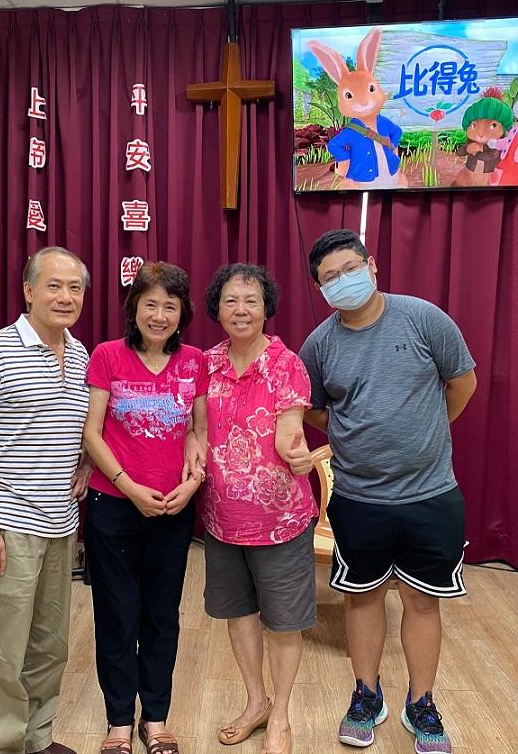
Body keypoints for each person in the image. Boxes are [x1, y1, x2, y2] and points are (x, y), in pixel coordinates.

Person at [298, 230, 477, 754]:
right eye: (330, 278)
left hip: (431, 494)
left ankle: (421, 702)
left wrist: (427, 432)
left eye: (350, 269)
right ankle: (366, 694)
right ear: (320, 289)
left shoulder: (423, 318)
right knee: (362, 598)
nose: (343, 281)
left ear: (372, 265)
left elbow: (462, 383)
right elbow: (311, 408)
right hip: (358, 497)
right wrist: (351, 435)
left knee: (423, 602)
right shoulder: (319, 344)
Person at [0, 246, 93, 754]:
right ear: (28, 291)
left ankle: (37, 739)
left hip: (61, 524)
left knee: (50, 645)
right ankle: (2, 746)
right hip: (6, 525)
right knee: (0, 652)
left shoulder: (80, 354)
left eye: (75, 288)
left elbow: (73, 426)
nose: (65, 297)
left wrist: (85, 462)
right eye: (54, 285)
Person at [82, 262, 207, 754]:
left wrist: (192, 484)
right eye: (150, 304)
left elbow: (198, 430)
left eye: (169, 306)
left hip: (173, 508)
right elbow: (92, 432)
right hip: (114, 504)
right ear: (134, 308)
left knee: (161, 616)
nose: (159, 315)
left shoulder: (194, 361)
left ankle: (155, 718)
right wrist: (128, 486)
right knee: (117, 614)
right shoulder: (108, 355)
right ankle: (118, 722)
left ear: (183, 313)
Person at [196, 263, 317, 754]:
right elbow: (197, 431)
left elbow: (290, 431)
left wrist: (297, 453)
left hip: (280, 519)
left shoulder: (287, 364)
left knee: (283, 621)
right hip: (221, 518)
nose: (241, 309)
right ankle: (255, 702)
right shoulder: (205, 363)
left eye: (251, 300)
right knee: (239, 613)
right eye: (230, 300)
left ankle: (281, 714)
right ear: (217, 309)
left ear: (267, 308)